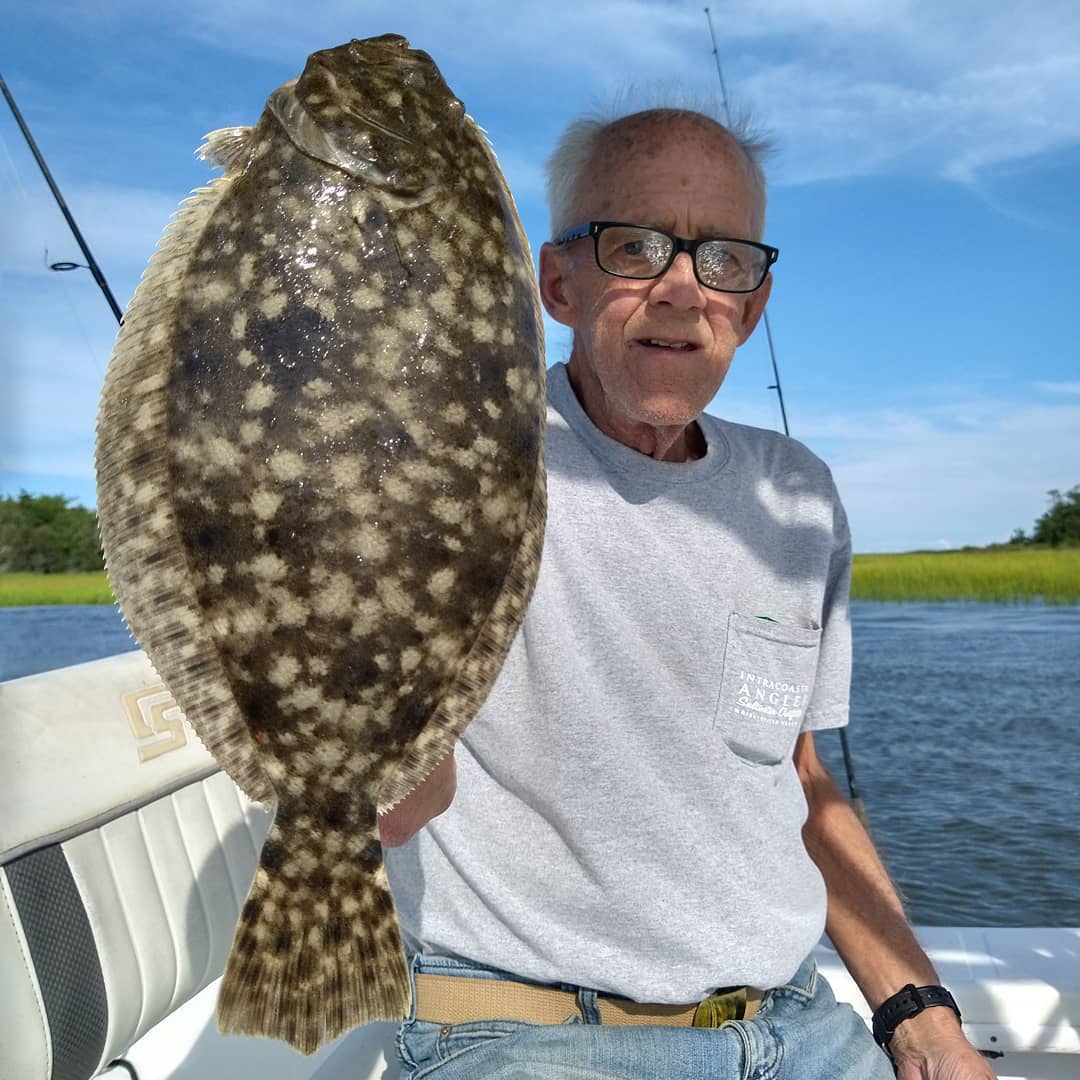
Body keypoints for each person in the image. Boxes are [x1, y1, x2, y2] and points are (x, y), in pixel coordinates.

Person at [379, 104, 995, 1080]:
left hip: (796, 1023)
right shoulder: (443, 463)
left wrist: (918, 1014)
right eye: (636, 246)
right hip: (527, 1034)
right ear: (558, 284)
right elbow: (389, 793)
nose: (681, 289)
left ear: (751, 306)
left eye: (724, 262)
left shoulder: (795, 494)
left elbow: (798, 780)